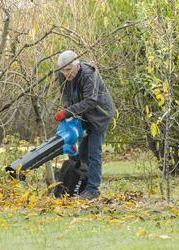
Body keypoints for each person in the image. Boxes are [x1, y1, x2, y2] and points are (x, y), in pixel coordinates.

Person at [54, 50, 116, 200]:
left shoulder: (89, 74)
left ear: (77, 65)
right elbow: (67, 98)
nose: (66, 73)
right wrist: (68, 114)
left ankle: (93, 190)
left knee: (94, 152)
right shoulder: (62, 76)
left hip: (99, 115)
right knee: (81, 153)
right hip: (83, 117)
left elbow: (91, 101)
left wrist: (68, 112)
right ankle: (82, 187)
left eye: (68, 69)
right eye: (63, 70)